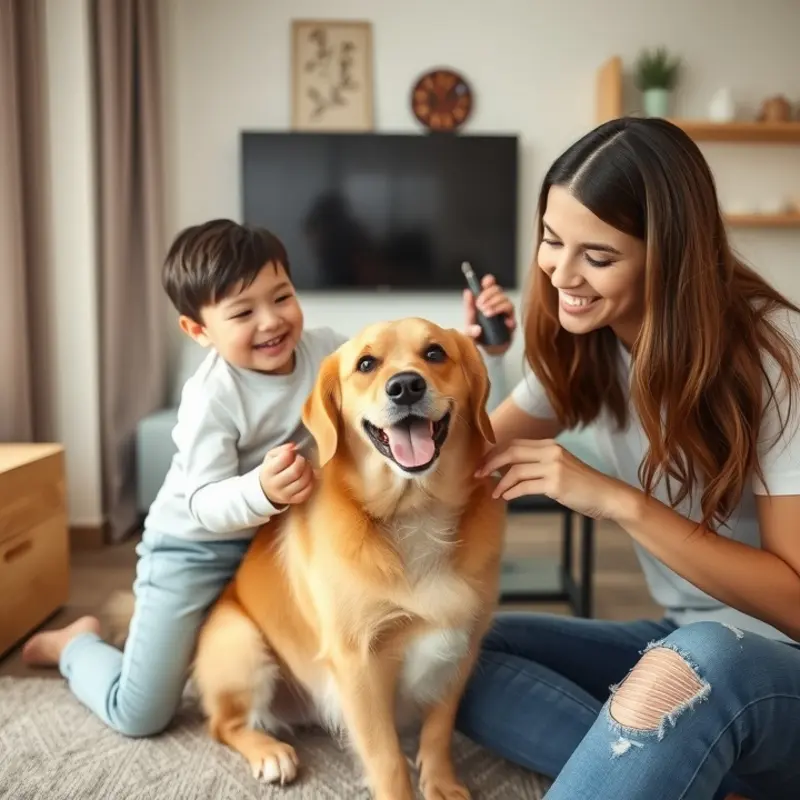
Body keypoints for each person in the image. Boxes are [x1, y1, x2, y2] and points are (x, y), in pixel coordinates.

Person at [22, 218, 516, 738]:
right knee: (140, 712)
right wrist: (260, 489)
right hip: (195, 548)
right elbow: (202, 502)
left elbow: (392, 374)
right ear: (198, 330)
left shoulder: (328, 351)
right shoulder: (211, 397)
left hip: (275, 541)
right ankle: (75, 646)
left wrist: (476, 345)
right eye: (243, 312)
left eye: (281, 297)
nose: (271, 321)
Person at [457, 117, 800, 800]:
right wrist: (478, 364)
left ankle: (678, 753)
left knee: (691, 666)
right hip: (681, 638)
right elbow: (474, 457)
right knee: (460, 651)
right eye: (553, 241)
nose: (563, 274)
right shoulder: (592, 338)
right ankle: (690, 768)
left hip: (768, 664)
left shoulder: (775, 357)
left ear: (669, 255)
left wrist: (617, 500)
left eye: (599, 257)